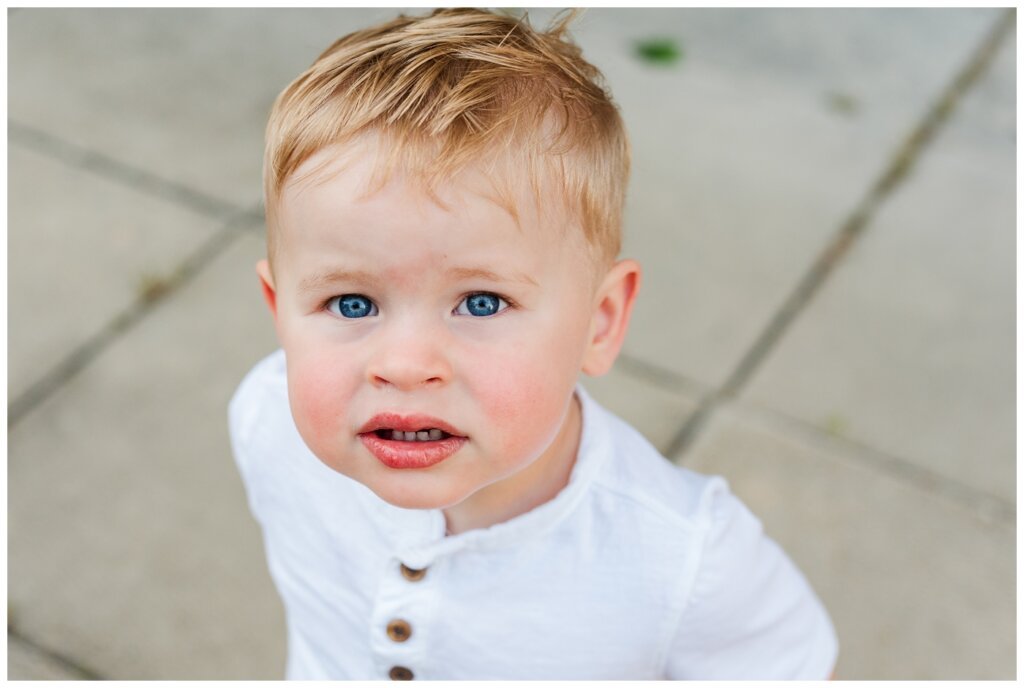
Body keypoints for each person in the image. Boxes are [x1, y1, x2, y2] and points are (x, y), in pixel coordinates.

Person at [229, 8, 838, 680]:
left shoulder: (689, 559)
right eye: (352, 303)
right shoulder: (266, 426)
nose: (404, 365)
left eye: (481, 303)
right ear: (281, 312)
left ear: (599, 322)